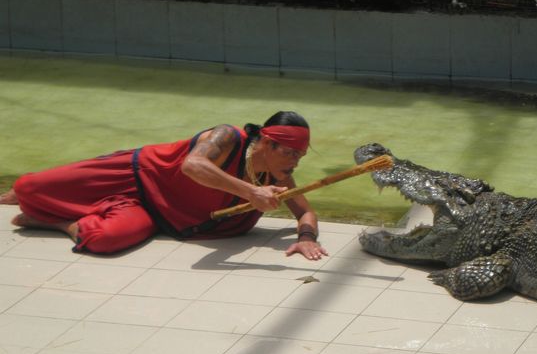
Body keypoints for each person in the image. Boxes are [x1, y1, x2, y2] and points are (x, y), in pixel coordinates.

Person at [0, 111, 328, 261]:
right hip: (137, 173)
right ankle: (40, 200)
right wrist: (251, 193)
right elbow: (192, 166)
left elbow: (305, 211)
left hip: (157, 213)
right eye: (290, 153)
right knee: (27, 188)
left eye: (299, 155)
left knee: (103, 241)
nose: (295, 162)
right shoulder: (228, 137)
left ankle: (48, 220)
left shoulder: (278, 175)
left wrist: (306, 238)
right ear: (267, 144)